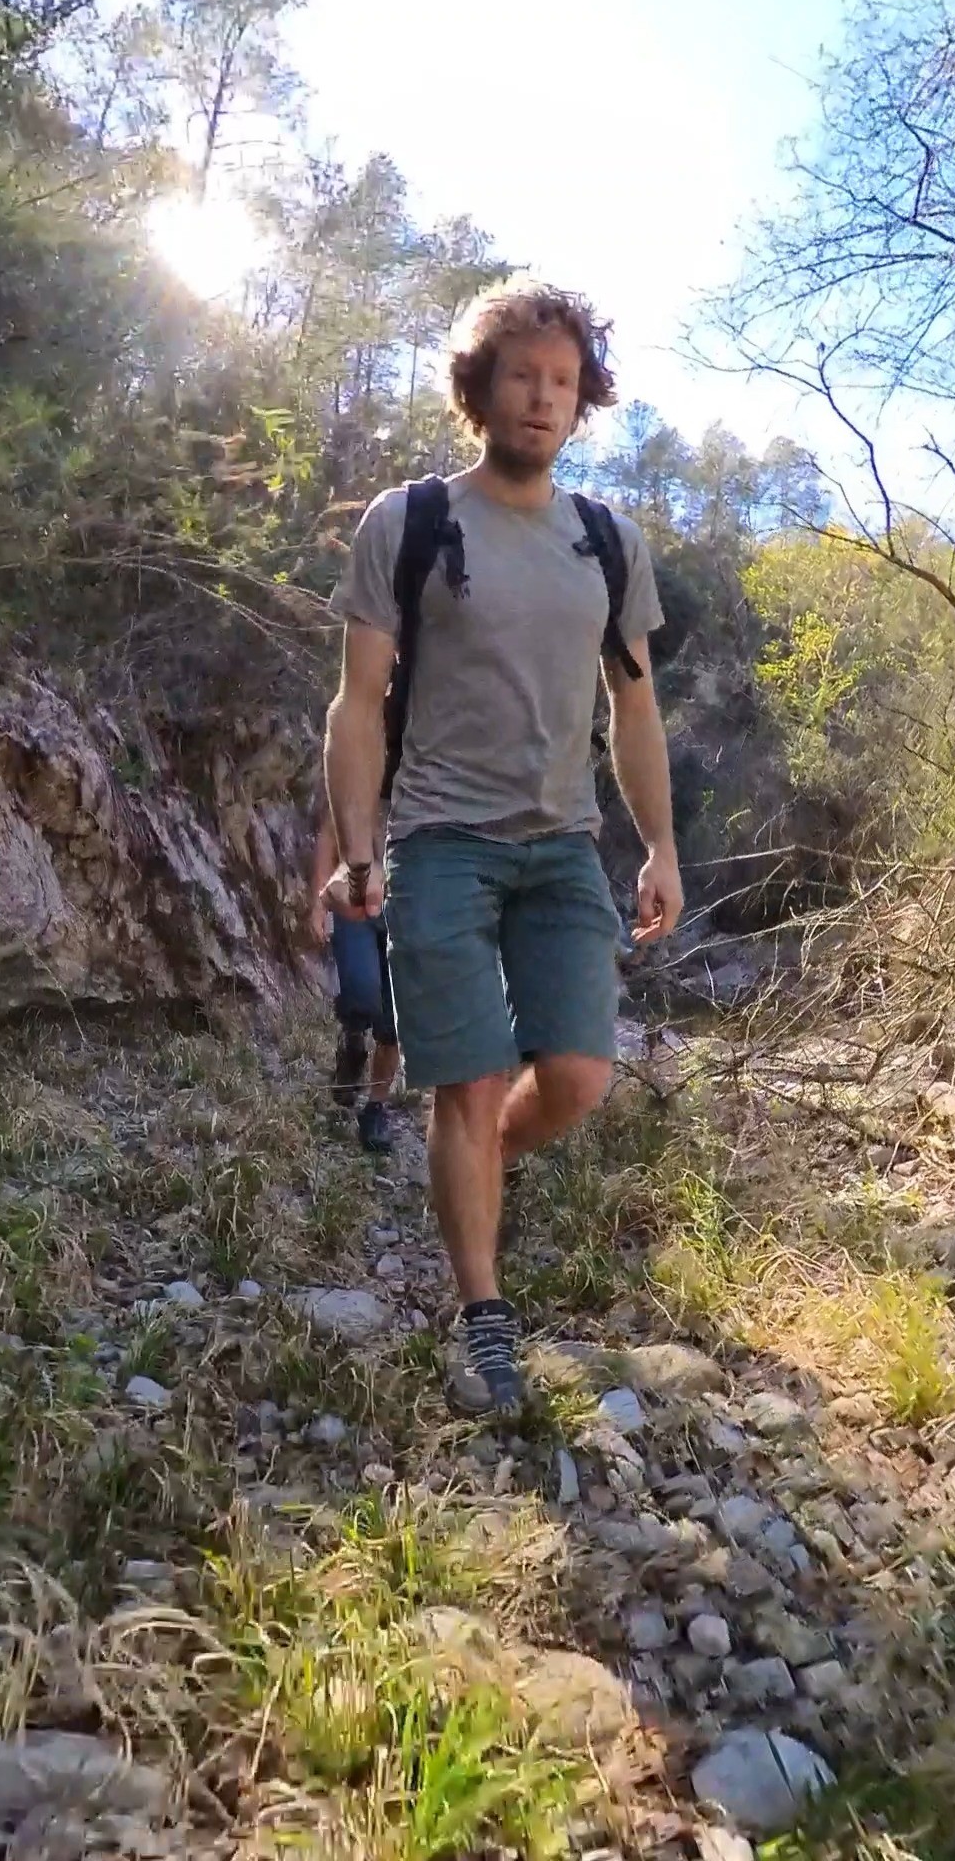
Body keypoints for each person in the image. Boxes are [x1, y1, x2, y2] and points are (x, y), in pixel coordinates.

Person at [322, 278, 683, 1414]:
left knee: (577, 1076)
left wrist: (661, 846)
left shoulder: (606, 541)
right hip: (439, 843)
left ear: (584, 403)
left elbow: (633, 711)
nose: (542, 398)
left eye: (563, 381)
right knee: (468, 1081)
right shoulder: (412, 521)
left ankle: (466, 1170)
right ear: (480, 387)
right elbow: (358, 705)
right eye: (522, 374)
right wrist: (360, 844)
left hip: (563, 849)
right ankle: (483, 1313)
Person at [310, 805, 398, 1154]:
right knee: (361, 993)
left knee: (393, 1025)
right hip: (356, 897)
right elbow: (330, 834)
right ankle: (352, 1043)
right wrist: (318, 904)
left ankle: (376, 1107)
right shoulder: (370, 762)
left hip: (404, 909)